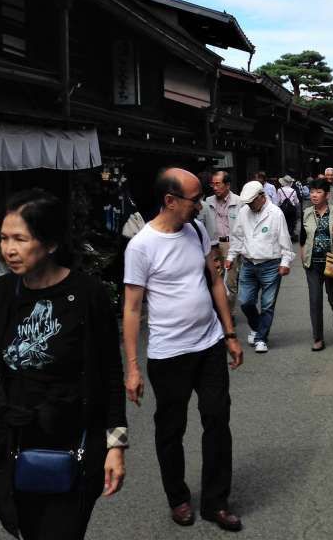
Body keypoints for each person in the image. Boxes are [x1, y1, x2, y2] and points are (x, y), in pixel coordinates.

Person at [0, 188, 127, 539]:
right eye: (3, 238)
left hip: (75, 440)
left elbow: (109, 374)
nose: (9, 249)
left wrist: (116, 444)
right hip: (15, 441)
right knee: (27, 529)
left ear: (49, 243)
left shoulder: (88, 295)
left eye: (20, 238)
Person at [123, 168, 243, 531]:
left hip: (208, 345)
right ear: (170, 201)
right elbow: (130, 308)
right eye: (194, 199)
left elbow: (215, 281)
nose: (201, 204)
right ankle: (177, 498)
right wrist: (132, 367)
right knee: (171, 429)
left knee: (217, 420)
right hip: (168, 353)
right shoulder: (141, 246)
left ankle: (215, 502)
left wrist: (230, 333)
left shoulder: (196, 229)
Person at [225, 181, 293, 354]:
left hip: (270, 264)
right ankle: (257, 327)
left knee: (267, 305)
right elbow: (238, 237)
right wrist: (231, 256)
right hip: (248, 263)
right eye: (247, 203)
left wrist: (285, 262)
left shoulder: (276, 213)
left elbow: (284, 239)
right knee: (246, 302)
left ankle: (261, 338)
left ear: (262, 197)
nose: (249, 206)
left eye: (252, 202)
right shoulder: (243, 212)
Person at [299, 178, 333, 351]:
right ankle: (318, 338)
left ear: (327, 195)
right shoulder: (306, 212)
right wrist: (303, 259)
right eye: (312, 191)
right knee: (315, 300)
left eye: (318, 192)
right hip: (313, 263)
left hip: (332, 261)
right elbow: (302, 238)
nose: (314, 195)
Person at [201, 171, 243, 315]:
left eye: (218, 184)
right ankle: (217, 312)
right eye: (213, 184)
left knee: (230, 281)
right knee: (214, 279)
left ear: (227, 185)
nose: (214, 187)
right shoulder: (208, 201)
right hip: (213, 245)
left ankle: (229, 313)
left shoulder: (239, 202)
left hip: (231, 244)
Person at [276, 175, 300, 240]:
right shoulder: (293, 191)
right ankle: (290, 235)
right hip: (292, 210)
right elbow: (296, 202)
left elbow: (277, 202)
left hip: (283, 209)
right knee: (291, 223)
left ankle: (283, 237)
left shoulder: (279, 190)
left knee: (283, 223)